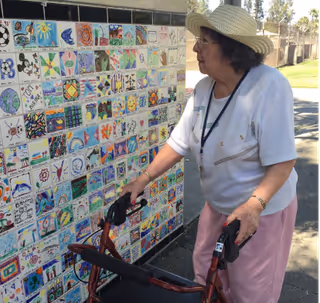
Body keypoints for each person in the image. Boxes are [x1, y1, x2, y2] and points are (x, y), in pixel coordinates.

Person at [121, 4, 298, 303]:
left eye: (204, 41)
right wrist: (144, 179)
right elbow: (178, 142)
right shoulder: (204, 89)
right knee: (204, 276)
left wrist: (255, 204)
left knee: (250, 292)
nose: (195, 48)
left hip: (260, 211)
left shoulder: (269, 86)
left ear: (231, 48)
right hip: (218, 206)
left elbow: (283, 162)